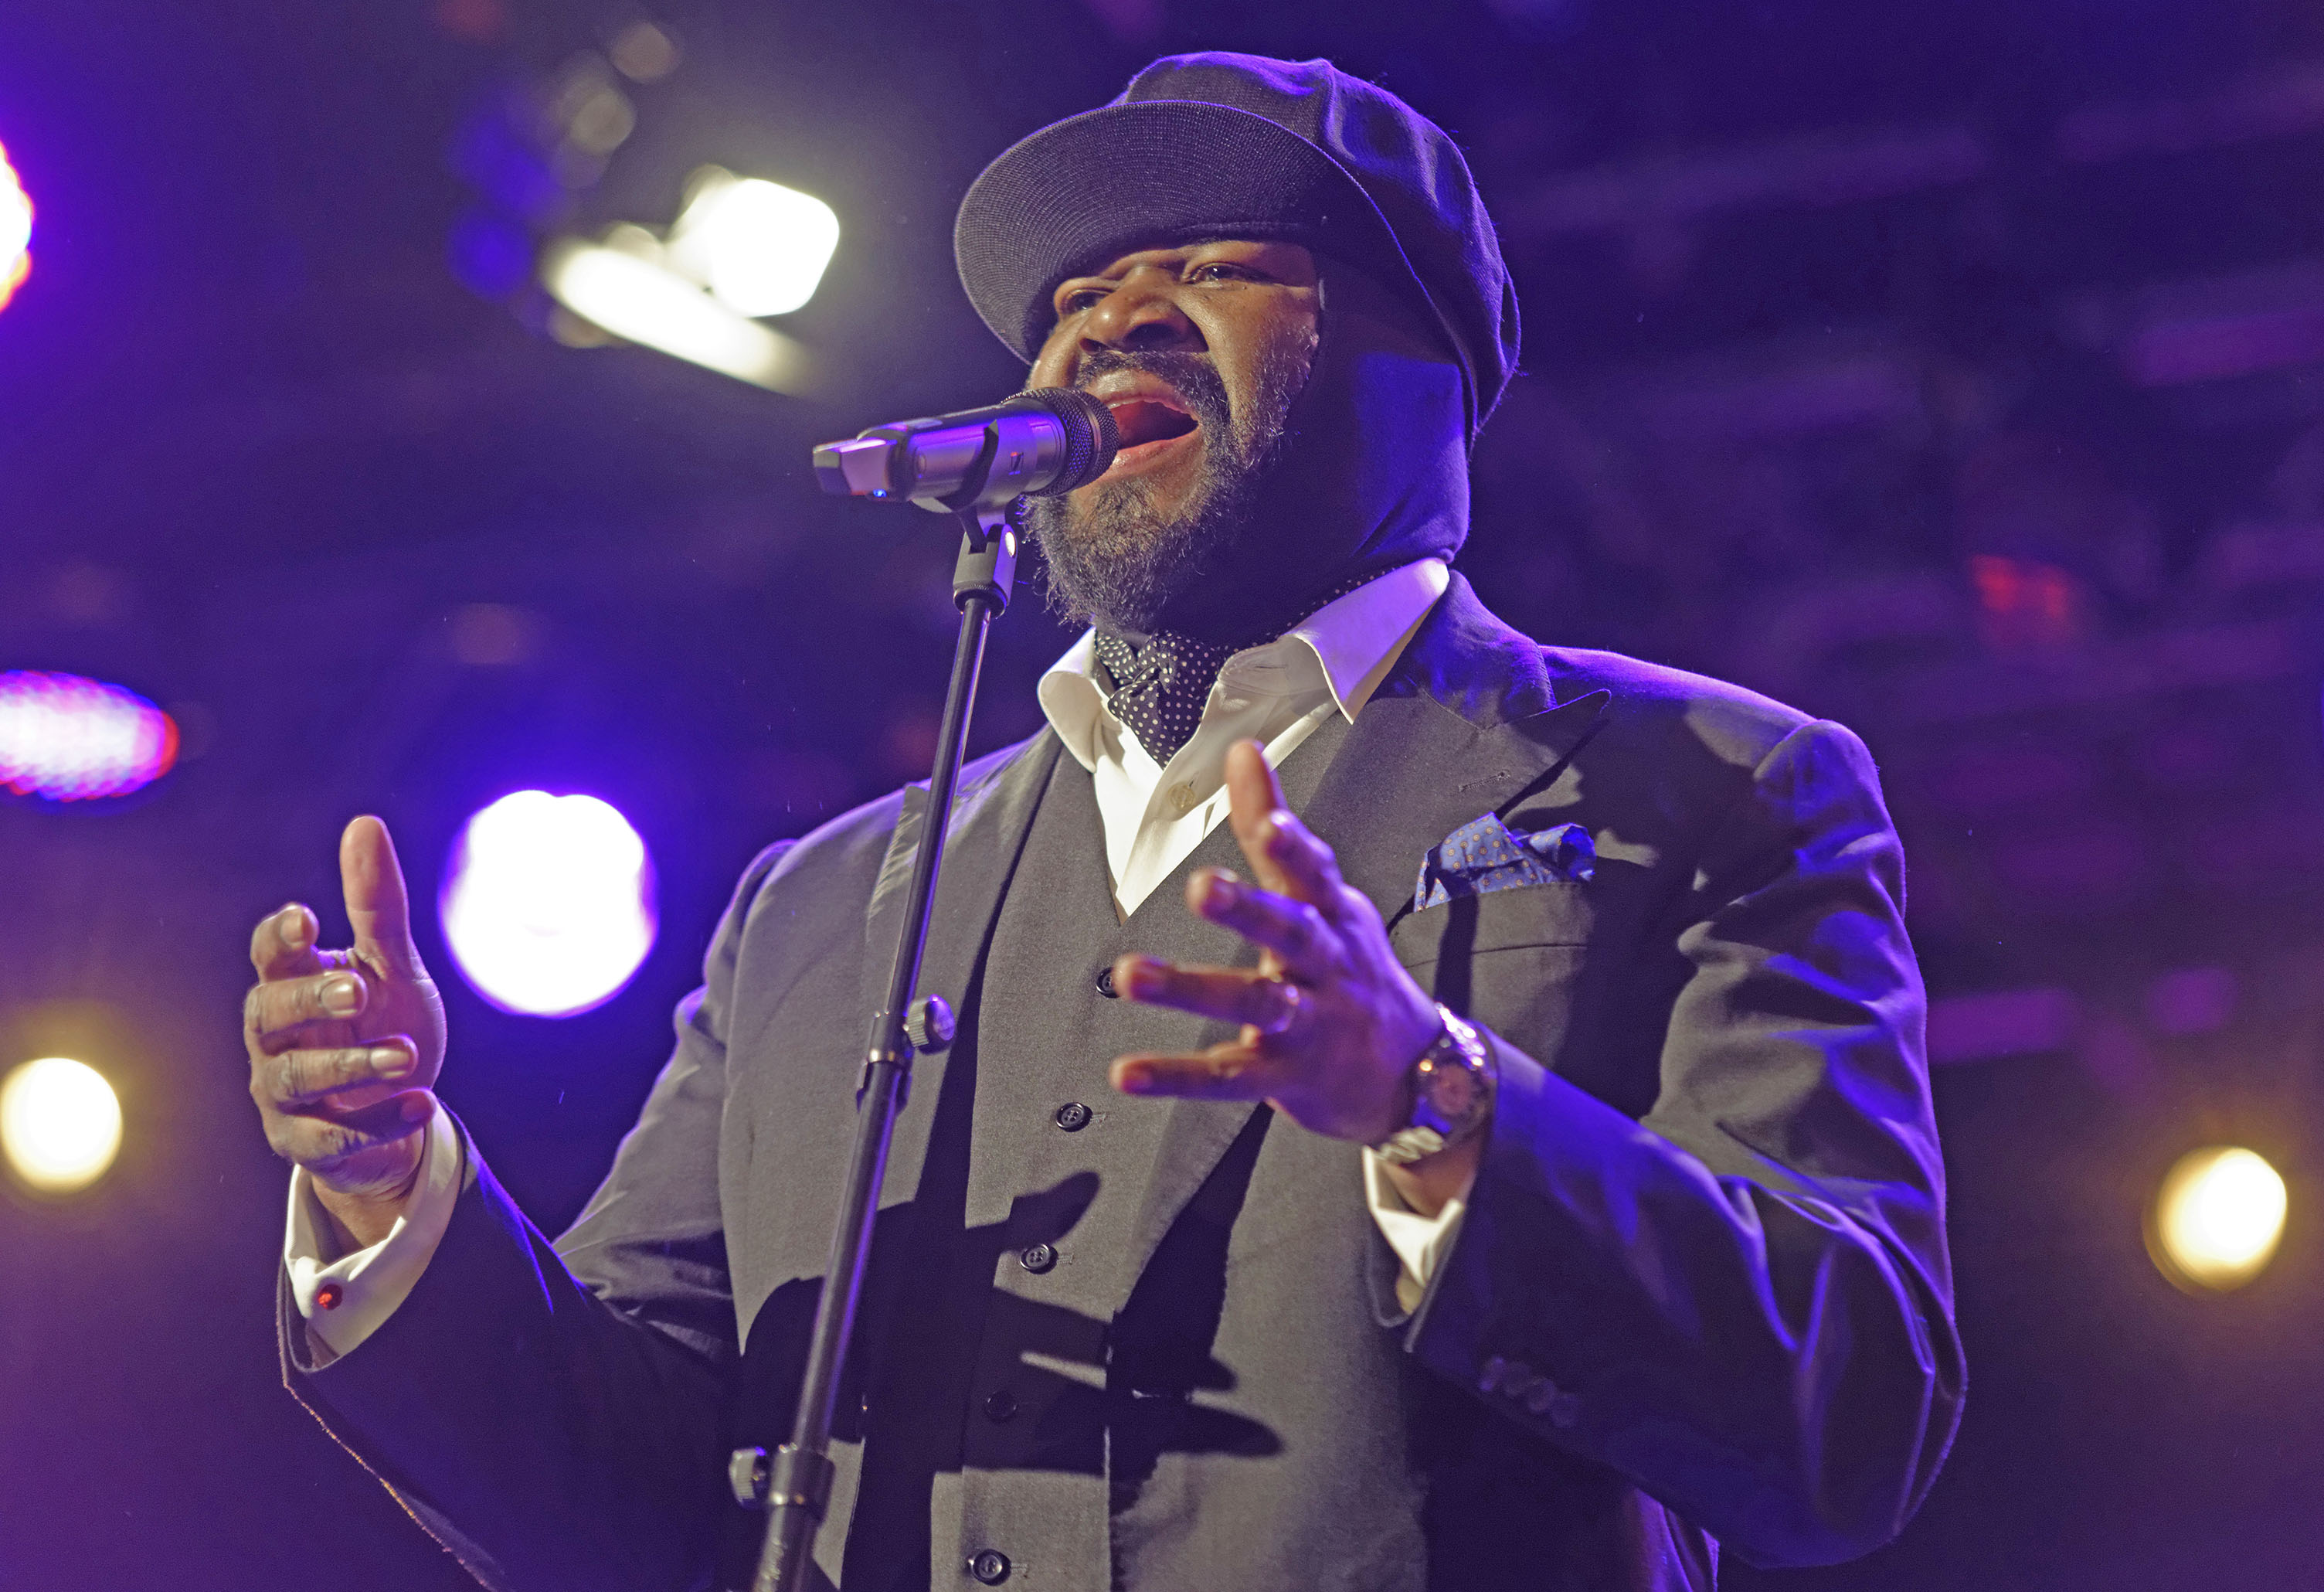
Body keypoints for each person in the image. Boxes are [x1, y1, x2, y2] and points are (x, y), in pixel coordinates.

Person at [244, 53, 1962, 1592]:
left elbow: (1849, 1402)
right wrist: (394, 1192)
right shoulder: (825, 904)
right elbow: (629, 1485)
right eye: (1075, 294)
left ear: (1412, 369)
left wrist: (1437, 1105)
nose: (1113, 318)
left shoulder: (1707, 785)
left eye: (1213, 266)